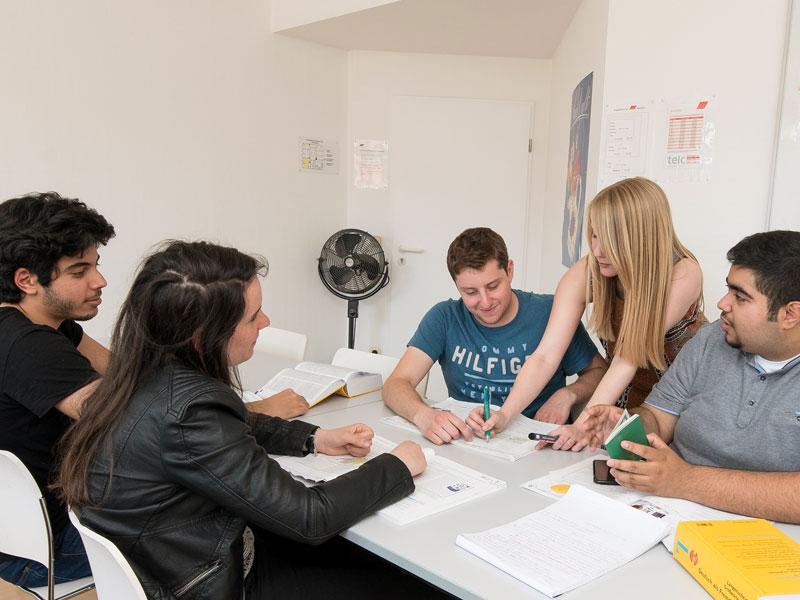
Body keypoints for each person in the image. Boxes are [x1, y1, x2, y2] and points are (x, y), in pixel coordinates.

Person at [56, 240, 447, 599]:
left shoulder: (141, 375)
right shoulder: (191, 410)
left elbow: (231, 425)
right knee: (419, 581)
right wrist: (397, 464)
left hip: (173, 561)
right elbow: (310, 516)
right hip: (212, 580)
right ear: (202, 337)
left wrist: (313, 438)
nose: (266, 322)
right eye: (252, 317)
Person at [469, 177, 706, 451]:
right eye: (594, 235)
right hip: (624, 398)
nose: (597, 250)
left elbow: (627, 358)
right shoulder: (588, 271)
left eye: (610, 240)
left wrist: (581, 426)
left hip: (683, 406)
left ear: (640, 239)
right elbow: (545, 356)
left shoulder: (683, 273)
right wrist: (505, 414)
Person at [581, 230, 800, 524]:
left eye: (740, 297)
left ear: (791, 314)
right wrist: (626, 426)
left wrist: (686, 480)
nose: (722, 303)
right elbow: (658, 418)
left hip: (763, 535)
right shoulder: (711, 339)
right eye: (728, 290)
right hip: (665, 511)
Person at [384, 227, 607, 445]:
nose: (485, 302)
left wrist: (568, 395)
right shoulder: (445, 318)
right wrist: (424, 415)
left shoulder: (552, 314)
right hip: (469, 443)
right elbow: (396, 384)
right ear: (457, 287)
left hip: (539, 442)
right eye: (471, 292)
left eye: (493, 286)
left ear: (509, 271)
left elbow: (598, 371)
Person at [0, 192, 115, 587]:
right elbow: (135, 422)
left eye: (96, 265)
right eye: (79, 271)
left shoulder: (44, 324)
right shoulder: (29, 345)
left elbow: (122, 375)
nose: (99, 281)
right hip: (38, 552)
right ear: (26, 280)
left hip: (19, 535)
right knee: (224, 523)